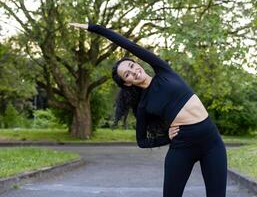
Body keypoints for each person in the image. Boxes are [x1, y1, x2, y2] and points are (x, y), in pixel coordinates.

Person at [69, 22, 227, 197]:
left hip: (211, 142)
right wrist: (167, 137)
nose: (133, 72)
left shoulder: (163, 71)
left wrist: (94, 28)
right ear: (127, 83)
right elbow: (141, 141)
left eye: (131, 66)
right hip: (182, 147)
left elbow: (128, 44)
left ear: (137, 64)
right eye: (127, 74)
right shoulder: (143, 106)